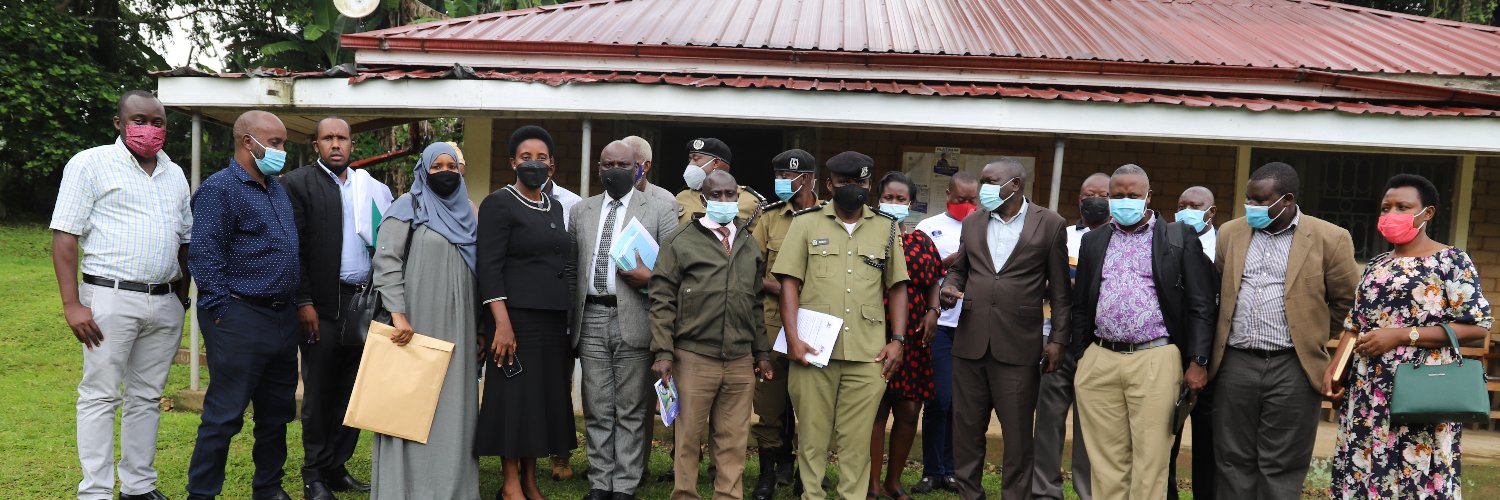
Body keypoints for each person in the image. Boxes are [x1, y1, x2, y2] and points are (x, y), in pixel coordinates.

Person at [51, 90, 191, 500]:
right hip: (109, 299)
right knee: (100, 396)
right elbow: (65, 236)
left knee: (146, 398)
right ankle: (95, 491)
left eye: (158, 122)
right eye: (139, 120)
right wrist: (71, 304)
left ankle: (138, 486)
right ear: (119, 123)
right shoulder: (90, 163)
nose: (149, 129)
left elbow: (185, 239)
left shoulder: (175, 174)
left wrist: (180, 295)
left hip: (165, 301)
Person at [1326, 173, 1493, 499]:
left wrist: (1403, 335)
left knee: (1414, 474)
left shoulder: (1450, 261)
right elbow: (1355, 325)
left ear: (1427, 213)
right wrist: (1335, 370)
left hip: (1423, 390)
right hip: (1368, 393)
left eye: (1403, 207)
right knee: (1364, 470)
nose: (1392, 213)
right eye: (1386, 207)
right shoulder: (1376, 265)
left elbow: (1478, 325)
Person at [1209, 161, 1358, 499]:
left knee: (1282, 465)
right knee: (1232, 459)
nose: (1251, 206)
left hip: (1293, 366)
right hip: (1235, 363)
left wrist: (1311, 333)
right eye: (1248, 198)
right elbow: (1217, 291)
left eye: (1260, 200)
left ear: (1287, 199)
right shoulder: (1230, 233)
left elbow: (1347, 302)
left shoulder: (1330, 238)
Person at [1069, 164, 1215, 500]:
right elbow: (1081, 304)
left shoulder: (1178, 238)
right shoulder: (1093, 241)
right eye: (1118, 195)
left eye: (1133, 195)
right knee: (1105, 462)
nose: (1125, 201)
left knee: (1151, 461)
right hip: (1101, 358)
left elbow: (1201, 305)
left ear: (1148, 196)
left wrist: (1198, 360)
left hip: (1155, 356)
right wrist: (1083, 355)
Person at [772, 151, 909, 500]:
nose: (853, 188)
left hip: (868, 354)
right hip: (813, 351)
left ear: (869, 185)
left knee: (857, 443)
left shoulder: (887, 227)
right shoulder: (805, 223)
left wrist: (897, 340)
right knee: (812, 439)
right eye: (845, 181)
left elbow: (897, 286)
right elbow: (789, 284)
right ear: (830, 184)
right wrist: (793, 339)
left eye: (860, 182)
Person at [185, 110, 301, 500]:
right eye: (276, 142)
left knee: (276, 413)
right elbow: (204, 254)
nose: (282, 150)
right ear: (248, 142)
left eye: (283, 143)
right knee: (225, 414)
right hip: (239, 315)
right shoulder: (220, 189)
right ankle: (202, 494)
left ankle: (268, 488)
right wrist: (223, 312)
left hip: (281, 317)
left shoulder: (276, 189)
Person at [939, 158, 1070, 500]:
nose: (983, 188)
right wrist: (948, 287)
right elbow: (960, 269)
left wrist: (1058, 339)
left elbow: (1060, 291)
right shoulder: (973, 221)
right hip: (970, 343)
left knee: (1017, 436)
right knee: (966, 431)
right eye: (982, 181)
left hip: (1019, 345)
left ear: (1015, 185)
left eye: (990, 181)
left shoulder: (1050, 223)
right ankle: (970, 494)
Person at [649, 169, 776, 499]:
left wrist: (762, 353)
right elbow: (662, 300)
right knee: (688, 440)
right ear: (704, 200)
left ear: (738, 197)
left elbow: (755, 303)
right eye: (716, 195)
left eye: (729, 194)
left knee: (733, 441)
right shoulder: (680, 241)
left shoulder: (747, 243)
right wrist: (663, 352)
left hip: (739, 359)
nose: (723, 200)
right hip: (693, 356)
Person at [368, 142, 482, 499]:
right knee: (409, 399)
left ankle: (451, 487)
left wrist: (480, 327)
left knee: (454, 400)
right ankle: (404, 487)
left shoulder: (471, 211)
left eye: (451, 166)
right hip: (415, 320)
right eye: (437, 167)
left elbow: (481, 270)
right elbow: (386, 260)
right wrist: (398, 314)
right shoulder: (408, 205)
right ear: (424, 171)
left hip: (461, 322)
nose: (445, 172)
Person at [282, 117, 386, 500]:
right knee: (319, 392)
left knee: (353, 390)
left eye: (342, 138)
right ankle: (314, 474)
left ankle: (336, 467)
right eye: (328, 138)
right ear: (316, 145)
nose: (336, 144)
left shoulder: (371, 188)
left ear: (353, 144)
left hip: (363, 302)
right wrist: (304, 301)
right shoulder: (297, 184)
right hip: (321, 305)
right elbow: (294, 249)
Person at [569, 140, 679, 500]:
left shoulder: (660, 210)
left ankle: (625, 485)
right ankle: (601, 483)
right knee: (597, 407)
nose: (613, 170)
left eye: (622, 164)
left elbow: (674, 271)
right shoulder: (581, 211)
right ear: (598, 168)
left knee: (631, 409)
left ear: (638, 168)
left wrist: (651, 278)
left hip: (636, 317)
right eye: (607, 164)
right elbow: (572, 268)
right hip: (591, 317)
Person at [475, 154, 579, 500]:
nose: (533, 163)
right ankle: (510, 484)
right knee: (514, 400)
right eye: (526, 157)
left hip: (550, 320)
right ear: (512, 162)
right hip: (514, 318)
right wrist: (501, 323)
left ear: (552, 165)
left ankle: (530, 480)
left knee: (539, 401)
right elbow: (489, 267)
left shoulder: (555, 207)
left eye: (541, 158)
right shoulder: (498, 203)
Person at [1031, 172, 1109, 500]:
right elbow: (1041, 282)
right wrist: (1066, 286)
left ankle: (1088, 491)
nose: (1094, 200)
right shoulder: (1061, 235)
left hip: (1098, 344)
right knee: (1048, 419)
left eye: (1103, 195)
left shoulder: (1120, 239)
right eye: (1088, 194)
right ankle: (1045, 490)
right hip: (1057, 338)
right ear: (1079, 199)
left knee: (1091, 425)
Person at [747, 148, 819, 499]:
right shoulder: (770, 218)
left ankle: (807, 477)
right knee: (769, 407)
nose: (780, 182)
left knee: (813, 408)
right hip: (774, 323)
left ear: (807, 179)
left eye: (786, 176)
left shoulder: (829, 217)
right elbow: (750, 270)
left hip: (817, 324)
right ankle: (767, 476)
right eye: (777, 175)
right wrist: (783, 289)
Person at [867, 172, 943, 500]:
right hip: (874, 336)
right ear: (877, 200)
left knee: (909, 411)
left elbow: (934, 281)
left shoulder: (921, 241)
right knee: (875, 410)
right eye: (888, 198)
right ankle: (871, 483)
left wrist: (933, 311)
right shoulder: (866, 237)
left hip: (914, 340)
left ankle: (893, 482)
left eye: (900, 199)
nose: (894, 203)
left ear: (910, 203)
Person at [911, 172, 978, 495]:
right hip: (939, 324)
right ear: (948, 194)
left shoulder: (985, 227)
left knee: (959, 404)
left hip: (971, 325)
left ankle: (951, 471)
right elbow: (918, 274)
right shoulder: (928, 227)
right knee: (938, 398)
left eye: (972, 200)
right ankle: (931, 470)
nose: (966, 205)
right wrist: (950, 261)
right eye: (960, 199)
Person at [1165, 184, 1217, 500]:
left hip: (1216, 360)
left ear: (1211, 212)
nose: (1186, 211)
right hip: (1173, 353)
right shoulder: (1167, 241)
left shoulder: (1226, 247)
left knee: (1208, 445)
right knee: (1166, 439)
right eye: (1182, 204)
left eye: (1195, 206)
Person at [675, 137, 765, 224]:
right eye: (690, 159)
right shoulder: (681, 197)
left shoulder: (750, 201)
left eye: (696, 159)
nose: (691, 164)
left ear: (716, 163)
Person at [621, 135, 680, 208]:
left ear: (646, 166)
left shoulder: (665, 201)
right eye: (612, 164)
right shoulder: (609, 197)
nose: (619, 169)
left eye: (627, 164)